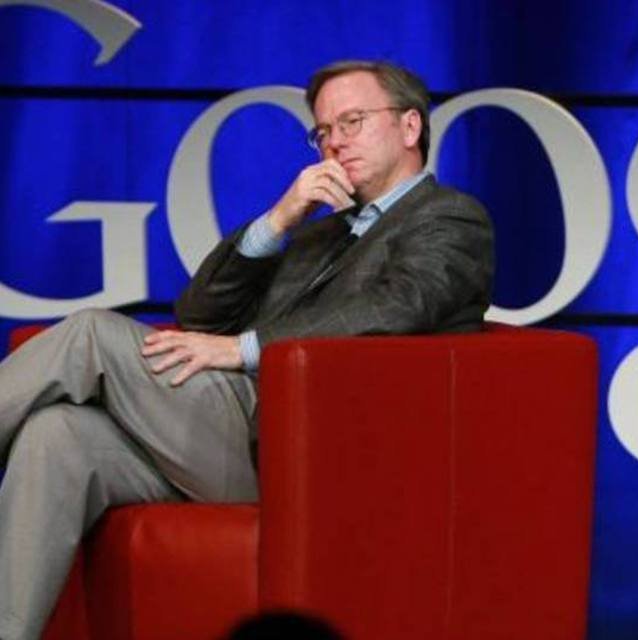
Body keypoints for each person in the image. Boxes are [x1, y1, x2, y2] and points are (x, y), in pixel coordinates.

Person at [0, 59, 494, 640]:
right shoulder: (320, 230)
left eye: (352, 122)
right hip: (237, 433)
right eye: (323, 131)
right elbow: (198, 314)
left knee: (90, 334)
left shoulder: (450, 219)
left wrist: (245, 349)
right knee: (57, 434)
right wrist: (278, 221)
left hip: (315, 458)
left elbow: (395, 309)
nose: (334, 143)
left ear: (410, 127)